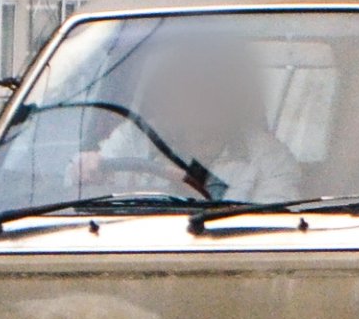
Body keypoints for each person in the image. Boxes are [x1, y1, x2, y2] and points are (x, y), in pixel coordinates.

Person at [70, 42, 300, 203]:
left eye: (212, 83)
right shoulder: (135, 137)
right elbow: (78, 185)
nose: (200, 94)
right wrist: (86, 168)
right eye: (187, 84)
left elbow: (272, 226)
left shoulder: (268, 157)